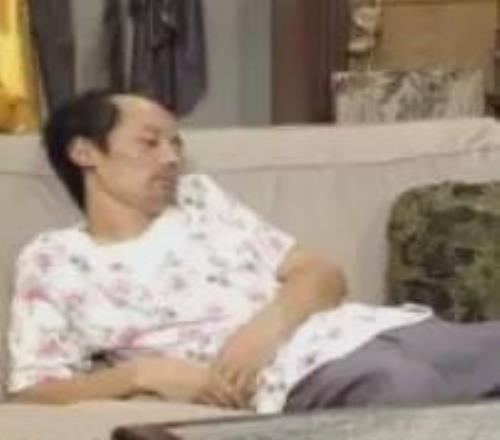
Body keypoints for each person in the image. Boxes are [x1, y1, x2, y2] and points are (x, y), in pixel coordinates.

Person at [7, 90, 500, 414]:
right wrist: (140, 374)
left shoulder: (199, 198)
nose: (172, 157)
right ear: (84, 153)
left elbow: (322, 273)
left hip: (372, 330)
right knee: (406, 387)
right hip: (299, 376)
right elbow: (32, 394)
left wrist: (265, 328)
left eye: (176, 143)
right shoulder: (54, 260)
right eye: (150, 143)